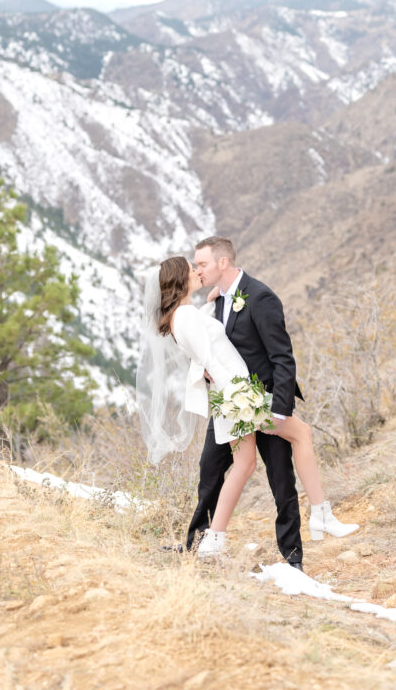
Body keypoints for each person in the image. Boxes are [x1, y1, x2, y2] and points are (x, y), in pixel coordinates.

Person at [136, 237, 356, 567]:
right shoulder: (187, 317)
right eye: (191, 268)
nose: (197, 271)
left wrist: (211, 305)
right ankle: (321, 514)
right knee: (301, 435)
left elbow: (205, 339)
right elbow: (207, 353)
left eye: (201, 265)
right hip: (240, 397)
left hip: (234, 397)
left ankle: (214, 541)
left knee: (245, 465)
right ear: (179, 280)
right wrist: (242, 401)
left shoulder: (188, 313)